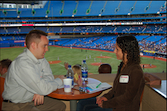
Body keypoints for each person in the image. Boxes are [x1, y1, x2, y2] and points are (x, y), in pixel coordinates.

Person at [76, 34, 145, 111]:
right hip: (115, 102)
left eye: (117, 49)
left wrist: (106, 104)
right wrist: (105, 97)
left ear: (126, 51)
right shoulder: (122, 66)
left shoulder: (135, 71)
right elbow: (115, 90)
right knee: (81, 104)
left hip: (123, 108)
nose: (114, 51)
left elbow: (127, 98)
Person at [2, 30, 66, 111]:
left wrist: (40, 90)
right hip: (15, 105)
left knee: (60, 106)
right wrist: (59, 80)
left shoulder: (41, 59)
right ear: (33, 45)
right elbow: (43, 88)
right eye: (44, 46)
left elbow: (49, 76)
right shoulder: (22, 63)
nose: (47, 49)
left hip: (31, 100)